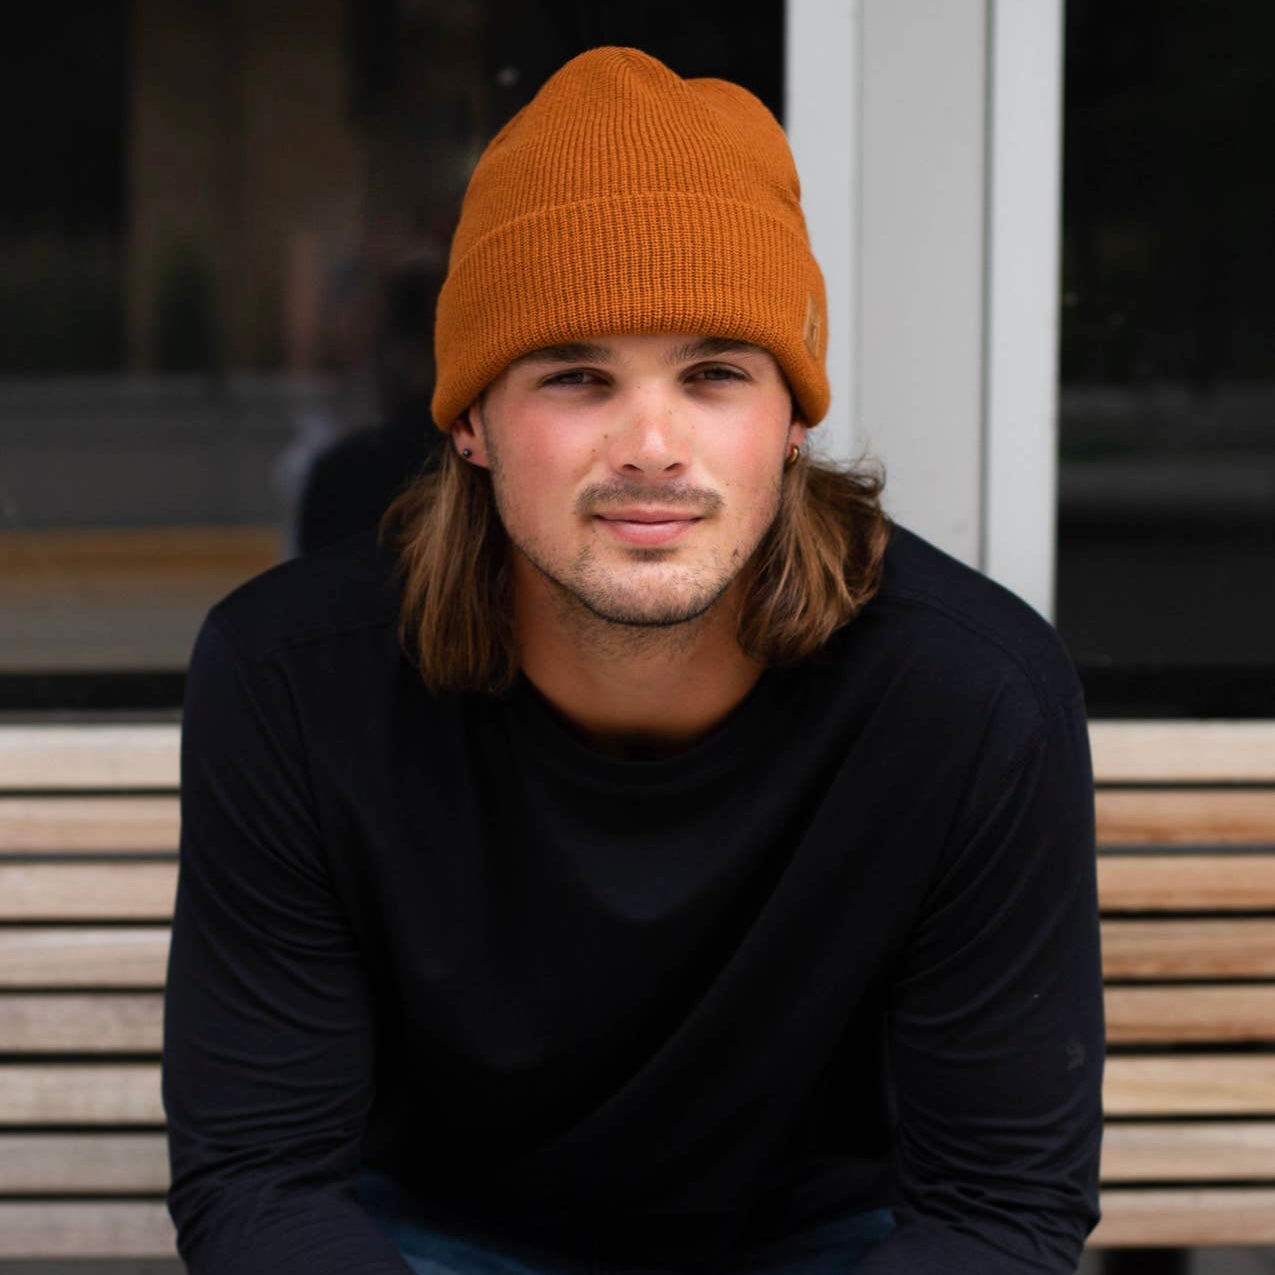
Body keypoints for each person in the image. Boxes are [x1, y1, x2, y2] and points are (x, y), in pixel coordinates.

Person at [163, 47, 1104, 1275]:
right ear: (470, 418)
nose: (652, 444)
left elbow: (996, 1210)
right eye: (577, 375)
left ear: (794, 415)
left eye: (714, 374)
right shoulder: (294, 681)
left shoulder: (970, 696)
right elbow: (261, 1181)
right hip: (433, 1246)